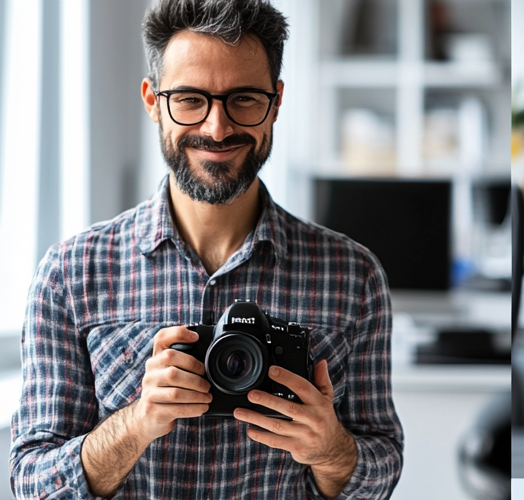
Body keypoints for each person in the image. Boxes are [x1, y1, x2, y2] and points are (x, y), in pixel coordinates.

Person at [10, 1, 402, 498]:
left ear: (276, 102)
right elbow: (31, 483)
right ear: (153, 100)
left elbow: (382, 462)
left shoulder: (354, 276)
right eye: (191, 99)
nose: (217, 128)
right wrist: (135, 424)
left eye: (243, 99)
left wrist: (329, 449)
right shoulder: (71, 274)